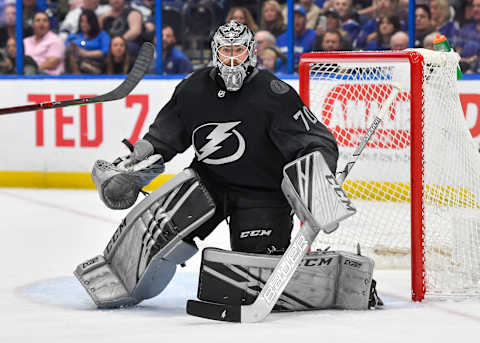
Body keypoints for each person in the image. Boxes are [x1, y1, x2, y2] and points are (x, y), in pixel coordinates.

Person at [79, 20, 341, 309]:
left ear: (251, 53)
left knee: (257, 277)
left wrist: (319, 176)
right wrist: (136, 158)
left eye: (238, 52)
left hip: (263, 194)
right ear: (215, 52)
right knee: (152, 238)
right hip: (207, 183)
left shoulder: (275, 94)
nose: (231, 59)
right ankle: (118, 277)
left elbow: (318, 141)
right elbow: (164, 138)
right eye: (226, 51)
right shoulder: (193, 88)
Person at [65, 9, 110, 74]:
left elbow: (105, 51)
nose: (84, 24)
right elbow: (67, 49)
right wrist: (73, 48)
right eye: (82, 21)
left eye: (87, 22)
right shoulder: (73, 36)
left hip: (97, 63)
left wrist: (85, 54)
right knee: (70, 54)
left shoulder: (102, 35)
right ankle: (78, 76)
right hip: (76, 63)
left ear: (93, 22)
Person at [23, 11, 65, 75]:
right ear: (33, 24)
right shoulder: (25, 41)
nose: (41, 23)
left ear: (49, 24)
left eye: (45, 20)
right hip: (27, 75)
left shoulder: (56, 40)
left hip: (48, 77)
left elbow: (52, 63)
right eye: (38, 20)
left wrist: (33, 70)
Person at [277, 5, 316, 70]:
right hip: (283, 76)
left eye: (299, 16)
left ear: (305, 19)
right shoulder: (281, 39)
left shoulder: (313, 36)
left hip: (306, 74)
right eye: (293, 17)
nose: (296, 20)